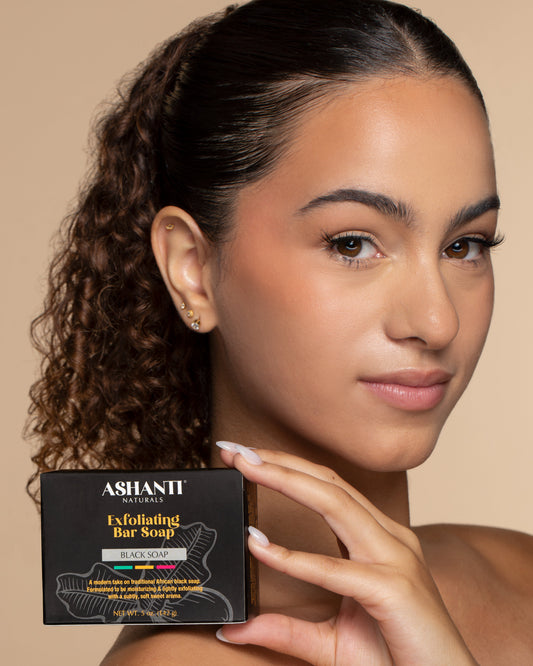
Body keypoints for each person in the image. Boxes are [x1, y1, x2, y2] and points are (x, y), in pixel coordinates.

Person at [27, 0, 533, 663]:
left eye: (465, 245)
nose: (437, 322)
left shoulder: (518, 573)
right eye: (352, 243)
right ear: (192, 270)